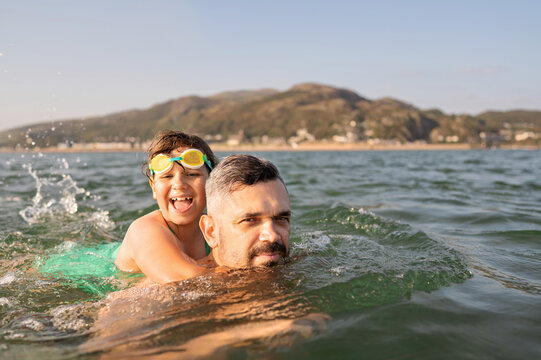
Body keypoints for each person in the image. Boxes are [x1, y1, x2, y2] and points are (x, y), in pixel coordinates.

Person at [114, 130, 218, 284]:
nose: (179, 185)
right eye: (167, 176)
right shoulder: (143, 230)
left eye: (192, 174)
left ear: (212, 183)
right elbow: (181, 281)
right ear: (154, 187)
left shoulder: (217, 228)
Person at [198, 153, 291, 269]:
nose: (272, 236)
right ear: (211, 231)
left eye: (281, 219)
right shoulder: (187, 285)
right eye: (250, 220)